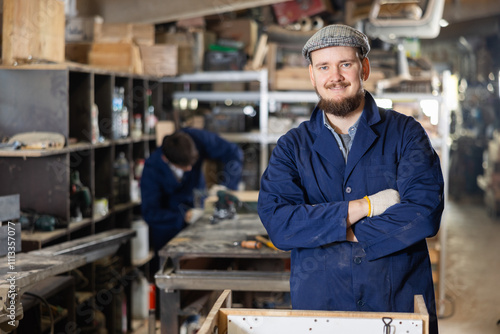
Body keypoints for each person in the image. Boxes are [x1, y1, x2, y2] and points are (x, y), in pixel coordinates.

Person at [257, 24, 444, 334]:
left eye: (345, 64)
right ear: (312, 75)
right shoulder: (292, 146)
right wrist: (364, 206)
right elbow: (280, 224)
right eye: (324, 67)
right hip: (321, 307)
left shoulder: (406, 134)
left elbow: (423, 213)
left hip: (396, 302)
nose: (336, 77)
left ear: (364, 68)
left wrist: (334, 229)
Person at [141, 127, 244, 254]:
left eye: (192, 163)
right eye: (184, 166)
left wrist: (227, 186)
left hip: (199, 210)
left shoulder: (195, 138)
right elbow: (150, 213)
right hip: (169, 228)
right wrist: (183, 217)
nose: (190, 168)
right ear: (166, 159)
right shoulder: (152, 170)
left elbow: (233, 152)